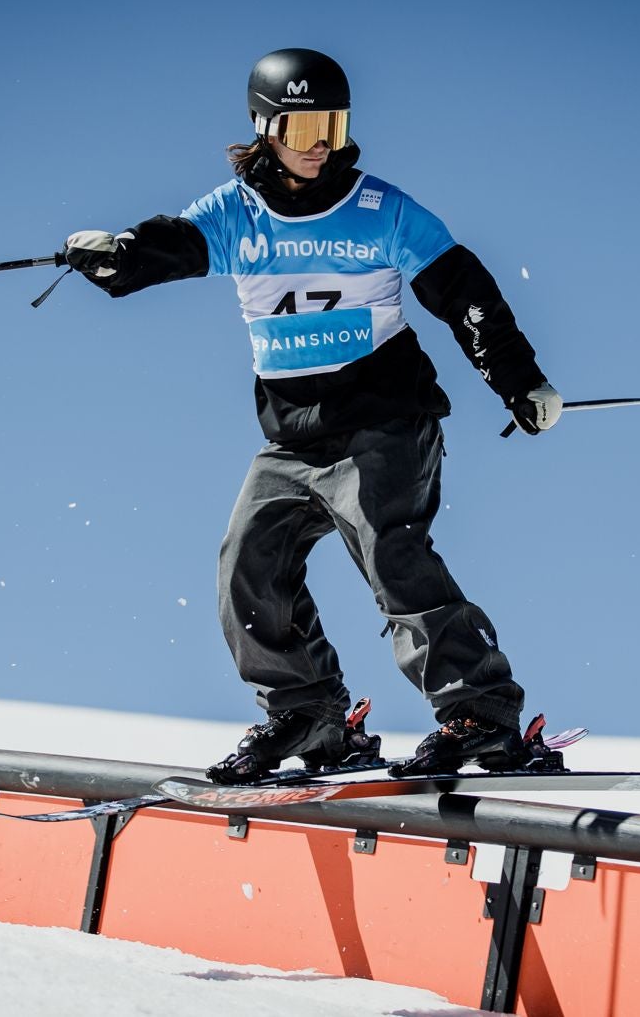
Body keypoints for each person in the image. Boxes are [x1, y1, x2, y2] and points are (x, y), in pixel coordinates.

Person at [63, 48, 562, 782]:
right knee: (247, 563)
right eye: (300, 129)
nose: (318, 143)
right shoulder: (238, 213)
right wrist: (120, 255)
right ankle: (309, 712)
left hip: (386, 420)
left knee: (389, 549)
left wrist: (520, 382)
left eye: (330, 124)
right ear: (266, 129)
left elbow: (464, 290)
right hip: (294, 437)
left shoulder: (380, 209)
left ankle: (478, 714)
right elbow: (173, 244)